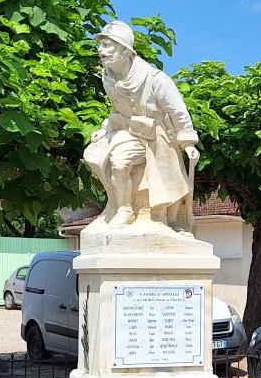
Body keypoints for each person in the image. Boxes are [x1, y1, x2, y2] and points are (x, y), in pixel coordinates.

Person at [83, 21, 200, 231]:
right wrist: (104, 129)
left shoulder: (155, 79)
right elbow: (118, 110)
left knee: (120, 163)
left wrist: (188, 142)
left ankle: (136, 212)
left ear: (125, 49)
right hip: (127, 131)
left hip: (156, 137)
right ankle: (122, 208)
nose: (100, 51)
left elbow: (177, 111)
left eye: (107, 45)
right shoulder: (107, 77)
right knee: (96, 156)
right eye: (100, 46)